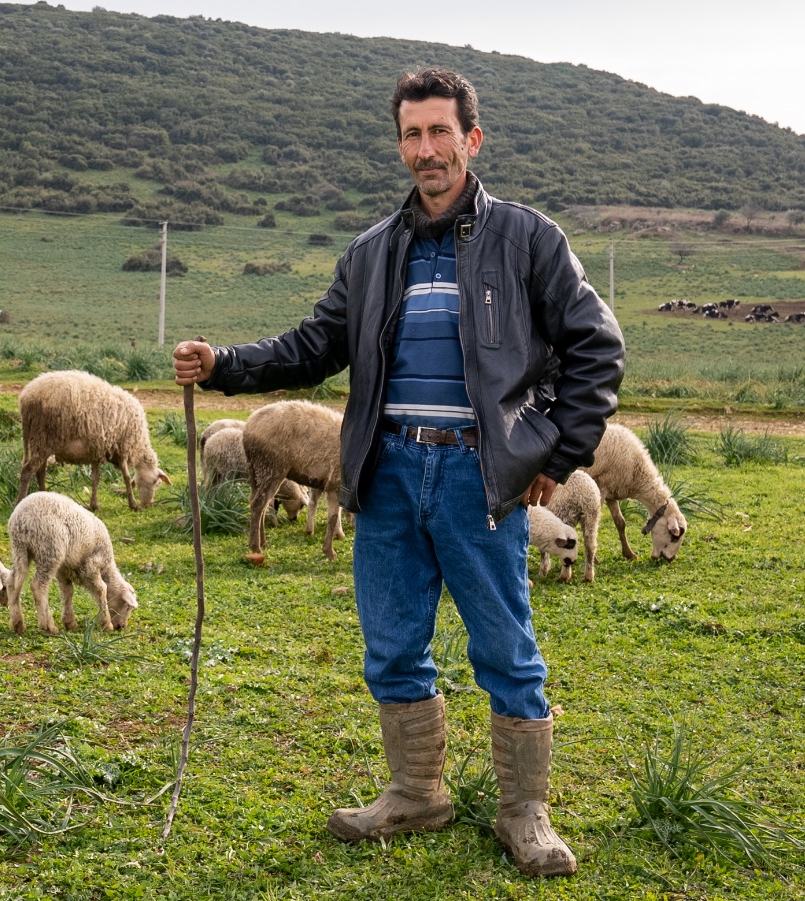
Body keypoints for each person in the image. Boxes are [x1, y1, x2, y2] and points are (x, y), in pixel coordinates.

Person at [172, 67, 624, 878]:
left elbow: (597, 348)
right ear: (400, 145)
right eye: (411, 135)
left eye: (439, 132)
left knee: (506, 649)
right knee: (392, 645)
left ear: (471, 139)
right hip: (384, 473)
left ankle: (525, 812)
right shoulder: (374, 251)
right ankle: (417, 790)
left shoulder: (528, 239)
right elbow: (314, 346)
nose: (426, 149)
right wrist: (226, 364)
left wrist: (554, 454)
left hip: (478, 478)